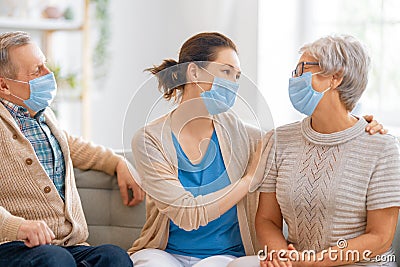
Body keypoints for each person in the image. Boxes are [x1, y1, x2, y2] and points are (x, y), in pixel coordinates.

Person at [128, 32, 386, 267]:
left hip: (225, 255)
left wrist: (361, 127)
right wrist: (248, 180)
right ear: (194, 73)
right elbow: (187, 215)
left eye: (237, 77)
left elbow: (321, 135)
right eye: (227, 72)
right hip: (165, 252)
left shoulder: (253, 139)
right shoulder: (150, 140)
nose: (233, 84)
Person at [228, 35, 400, 267]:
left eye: (302, 69)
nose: (294, 78)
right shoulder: (279, 140)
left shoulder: (382, 147)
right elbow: (267, 220)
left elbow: (380, 238)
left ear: (336, 76)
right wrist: (284, 257)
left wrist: (313, 262)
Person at [0, 31, 143, 266]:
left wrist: (117, 162)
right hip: (13, 246)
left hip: (68, 245)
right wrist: (18, 226)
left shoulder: (45, 118)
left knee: (114, 257)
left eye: (44, 64)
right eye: (36, 70)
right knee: (56, 260)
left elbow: (73, 146)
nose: (48, 74)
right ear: (4, 85)